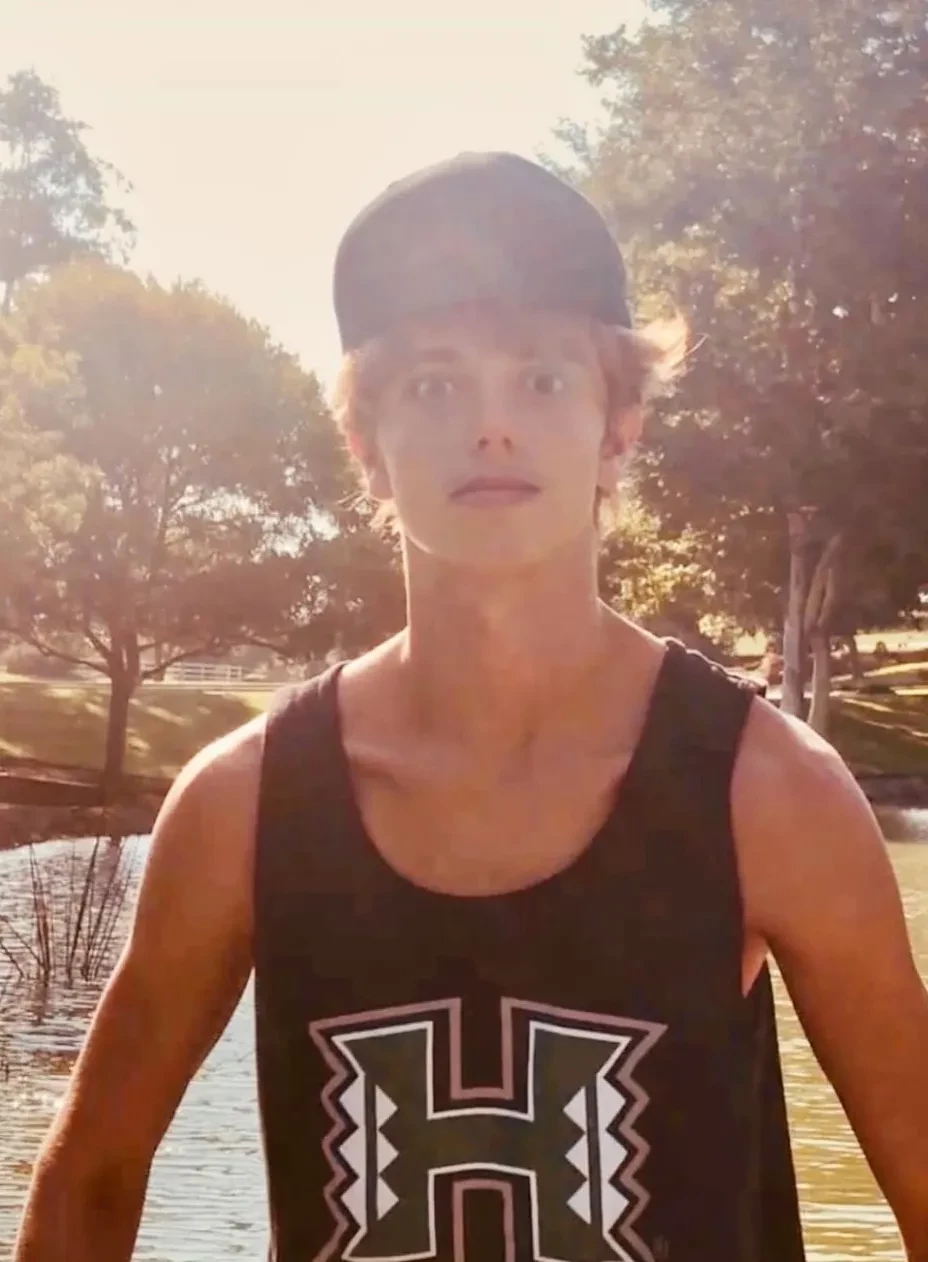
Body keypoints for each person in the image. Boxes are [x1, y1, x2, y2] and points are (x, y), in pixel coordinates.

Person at [14, 152, 928, 1262]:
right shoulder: (244, 806)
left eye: (541, 379)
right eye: (434, 386)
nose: (490, 427)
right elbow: (92, 1179)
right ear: (366, 442)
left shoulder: (767, 791)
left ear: (619, 423)